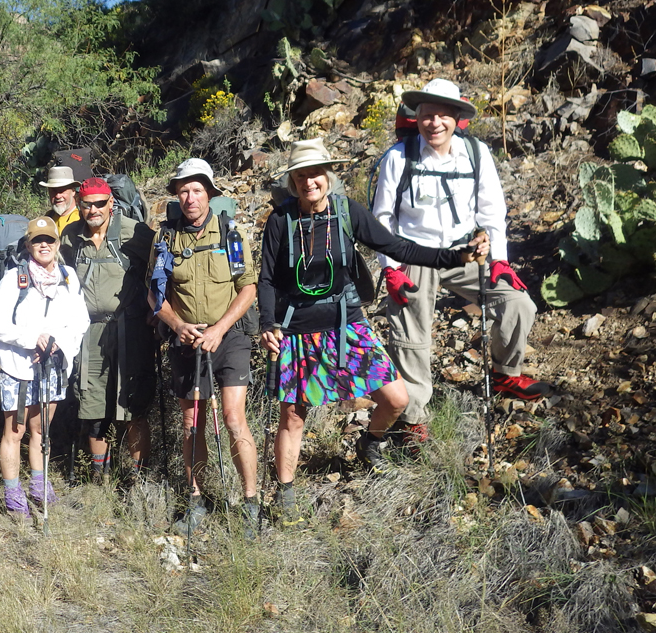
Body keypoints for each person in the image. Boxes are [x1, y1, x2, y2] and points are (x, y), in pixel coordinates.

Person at [259, 139, 485, 526]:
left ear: (327, 176)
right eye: (301, 175)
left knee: (395, 398)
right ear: (293, 180)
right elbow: (265, 278)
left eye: (315, 173)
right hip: (298, 330)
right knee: (293, 417)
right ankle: (286, 496)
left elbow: (398, 246)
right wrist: (268, 324)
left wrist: (455, 255)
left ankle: (372, 442)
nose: (309, 181)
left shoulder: (348, 212)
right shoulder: (281, 221)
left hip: (347, 324)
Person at [371, 79, 549, 446]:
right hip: (412, 254)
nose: (434, 123)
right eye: (426, 115)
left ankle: (506, 374)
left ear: (456, 118)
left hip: (463, 251)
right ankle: (413, 416)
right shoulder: (398, 158)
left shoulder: (477, 154)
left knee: (517, 303)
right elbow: (382, 219)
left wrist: (499, 261)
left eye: (442, 115)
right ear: (416, 118)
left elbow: (492, 212)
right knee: (411, 334)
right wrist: (389, 267)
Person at [148, 158, 260, 535]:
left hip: (228, 338)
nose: (190, 197)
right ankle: (196, 500)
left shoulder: (229, 232)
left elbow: (248, 287)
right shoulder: (165, 238)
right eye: (183, 190)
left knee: (232, 417)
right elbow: (155, 293)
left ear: (209, 193)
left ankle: (249, 502)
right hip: (186, 339)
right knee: (192, 422)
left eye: (197, 189)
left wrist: (219, 329)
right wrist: (177, 325)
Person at [0, 217, 89, 516]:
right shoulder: (14, 278)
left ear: (57, 243)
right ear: (28, 245)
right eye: (37, 240)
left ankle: (39, 486)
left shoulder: (68, 277)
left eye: (50, 240)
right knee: (14, 432)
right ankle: (13, 493)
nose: (44, 245)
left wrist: (59, 344)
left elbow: (80, 320)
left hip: (55, 366)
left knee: (41, 430)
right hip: (18, 368)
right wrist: (32, 340)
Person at [60, 177, 156, 484]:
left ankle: (137, 480)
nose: (93, 210)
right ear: (79, 205)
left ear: (110, 204)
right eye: (87, 205)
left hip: (131, 331)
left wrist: (158, 309)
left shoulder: (133, 232)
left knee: (133, 407)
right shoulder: (70, 237)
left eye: (100, 204)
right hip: (89, 335)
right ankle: (101, 478)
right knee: (93, 407)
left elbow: (161, 266)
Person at [41, 165, 80, 234]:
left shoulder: (81, 220)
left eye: (62, 191)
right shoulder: (48, 218)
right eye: (53, 191)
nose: (57, 196)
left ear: (73, 191)